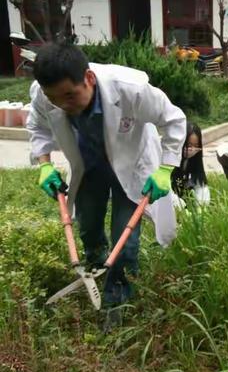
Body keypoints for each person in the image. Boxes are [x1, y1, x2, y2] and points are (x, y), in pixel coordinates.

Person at [27, 43, 186, 325]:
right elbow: (37, 126)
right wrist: (45, 164)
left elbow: (174, 120)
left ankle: (117, 297)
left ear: (88, 78)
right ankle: (97, 268)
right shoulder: (44, 94)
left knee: (125, 239)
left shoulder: (130, 88)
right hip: (89, 166)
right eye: (55, 99)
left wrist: (165, 169)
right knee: (88, 228)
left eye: (70, 96)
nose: (63, 105)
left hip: (133, 165)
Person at [171, 122, 210, 208]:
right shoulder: (170, 159)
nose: (192, 149)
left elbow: (199, 182)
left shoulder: (195, 159)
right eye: (188, 145)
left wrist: (202, 203)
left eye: (196, 145)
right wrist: (178, 205)